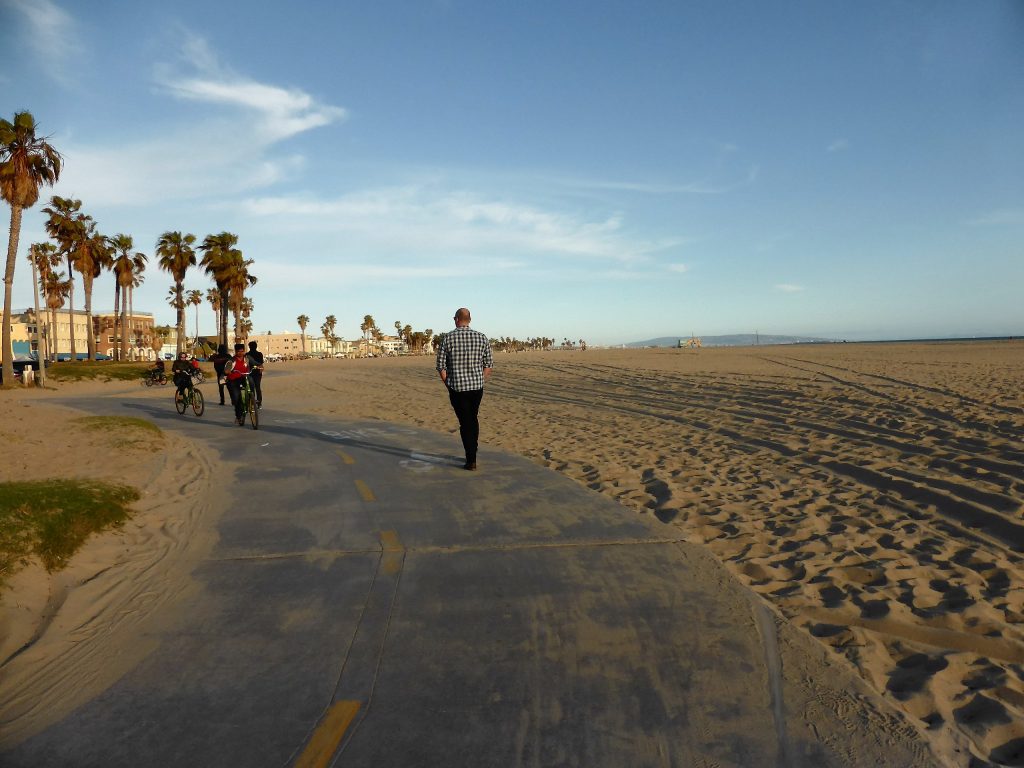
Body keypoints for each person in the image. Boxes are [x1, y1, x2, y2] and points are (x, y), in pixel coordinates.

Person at [436, 307, 493, 470]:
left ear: (456, 319)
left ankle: (471, 459)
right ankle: (472, 453)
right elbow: (488, 364)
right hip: (476, 388)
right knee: (472, 418)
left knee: (465, 422)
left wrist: (448, 384)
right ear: (470, 319)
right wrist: (480, 379)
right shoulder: (482, 338)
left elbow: (441, 366)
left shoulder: (448, 338)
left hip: (457, 388)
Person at [224, 343, 252, 425]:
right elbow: (226, 369)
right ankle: (238, 416)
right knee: (237, 399)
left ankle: (252, 397)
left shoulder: (246, 359)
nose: (241, 353)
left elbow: (254, 362)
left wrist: (260, 366)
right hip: (233, 380)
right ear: (236, 351)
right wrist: (227, 371)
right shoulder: (231, 360)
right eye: (239, 351)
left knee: (251, 380)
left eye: (242, 351)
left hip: (243, 378)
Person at [245, 341, 265, 408]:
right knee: (258, 387)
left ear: (249, 347)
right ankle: (259, 403)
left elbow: (246, 364)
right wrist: (261, 369)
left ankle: (252, 402)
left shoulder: (247, 354)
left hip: (250, 372)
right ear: (256, 347)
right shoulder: (259, 354)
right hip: (257, 372)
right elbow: (261, 363)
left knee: (251, 388)